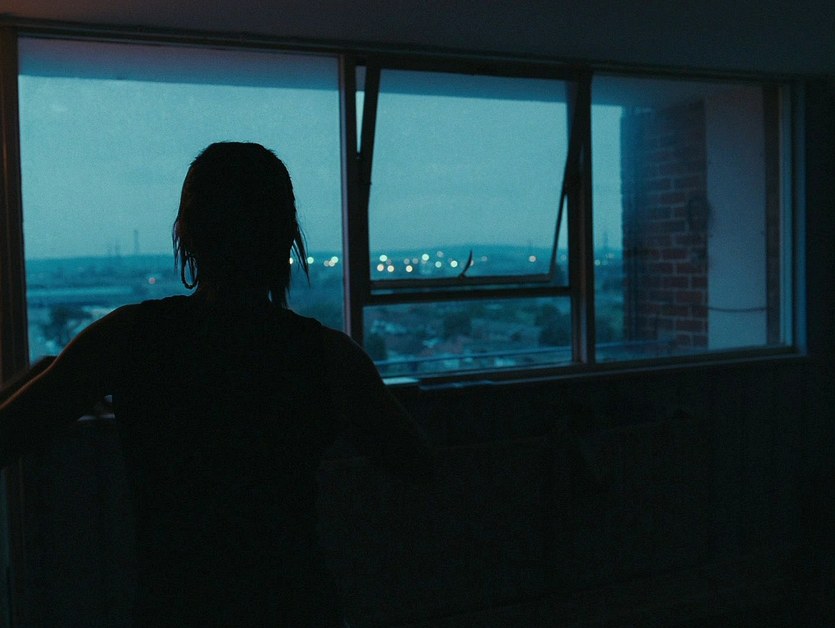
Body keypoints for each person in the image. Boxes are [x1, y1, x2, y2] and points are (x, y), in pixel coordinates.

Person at [0, 142, 433, 626]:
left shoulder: (128, 338)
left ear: (187, 236)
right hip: (294, 604)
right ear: (287, 239)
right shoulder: (326, 356)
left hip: (176, 608)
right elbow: (415, 461)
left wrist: (50, 374)